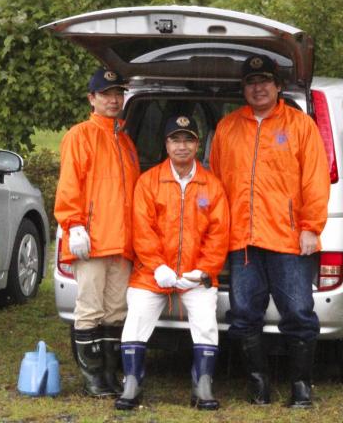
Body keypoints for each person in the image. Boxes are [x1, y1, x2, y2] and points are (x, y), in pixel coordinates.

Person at [209, 54, 330, 408]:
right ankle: (258, 386)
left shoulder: (300, 126)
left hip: (288, 239)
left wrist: (310, 227)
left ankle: (301, 388)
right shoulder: (227, 128)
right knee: (244, 316)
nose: (258, 87)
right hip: (241, 241)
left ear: (278, 86)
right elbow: (214, 185)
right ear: (243, 89)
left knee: (298, 314)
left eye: (264, 81)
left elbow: (315, 181)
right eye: (250, 82)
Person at [115, 115, 230, 411]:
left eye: (188, 139)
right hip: (152, 274)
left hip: (196, 276)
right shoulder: (148, 182)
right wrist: (158, 267)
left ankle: (202, 385)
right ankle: (132, 382)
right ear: (166, 144)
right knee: (137, 316)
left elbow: (219, 235)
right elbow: (142, 230)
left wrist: (203, 271)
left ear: (197, 144)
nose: (182, 146)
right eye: (175, 139)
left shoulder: (212, 186)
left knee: (206, 320)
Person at [54, 68, 140, 397]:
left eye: (118, 93)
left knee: (116, 311)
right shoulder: (80, 135)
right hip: (91, 240)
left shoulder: (126, 140)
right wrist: (73, 224)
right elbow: (69, 186)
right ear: (92, 98)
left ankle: (108, 373)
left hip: (122, 243)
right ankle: (92, 377)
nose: (113, 99)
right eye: (106, 94)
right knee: (89, 309)